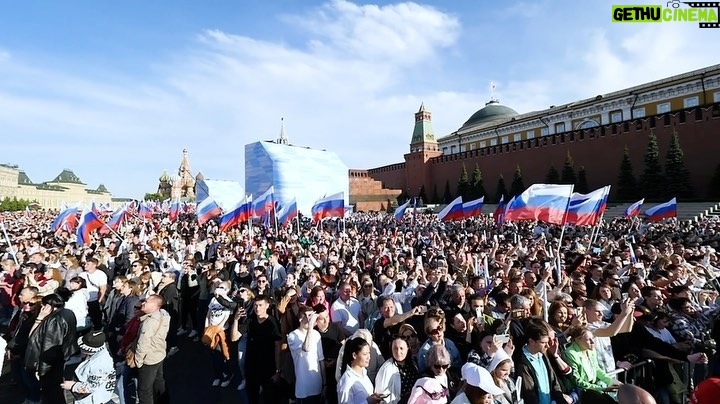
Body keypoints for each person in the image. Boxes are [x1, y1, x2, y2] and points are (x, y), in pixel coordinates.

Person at [25, 292, 78, 404]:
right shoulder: (68, 312)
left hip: (50, 363)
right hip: (62, 357)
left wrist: (39, 318)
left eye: (44, 305)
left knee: (52, 392)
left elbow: (42, 342)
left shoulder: (54, 320)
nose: (42, 308)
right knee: (56, 390)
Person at [513, 322, 572, 404]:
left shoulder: (543, 355)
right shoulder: (522, 363)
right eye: (543, 343)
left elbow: (554, 383)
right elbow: (529, 394)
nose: (547, 346)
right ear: (531, 341)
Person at [128, 294, 170, 404]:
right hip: (159, 354)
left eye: (146, 302)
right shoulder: (164, 314)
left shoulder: (149, 322)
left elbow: (143, 343)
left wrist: (139, 361)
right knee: (159, 381)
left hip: (149, 358)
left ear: (154, 306)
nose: (143, 303)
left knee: (144, 390)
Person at [61, 330, 117, 404]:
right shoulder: (100, 349)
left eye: (83, 348)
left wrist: (73, 386)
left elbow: (92, 387)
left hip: (94, 400)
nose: (80, 348)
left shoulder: (99, 365)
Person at [287, 305, 326, 404]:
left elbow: (321, 360)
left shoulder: (316, 334)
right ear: (301, 318)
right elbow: (306, 348)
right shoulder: (292, 336)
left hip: (317, 385)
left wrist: (325, 384)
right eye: (309, 316)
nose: (311, 319)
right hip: (303, 388)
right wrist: (310, 328)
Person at [337, 336, 385, 404]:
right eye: (365, 354)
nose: (369, 357)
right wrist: (368, 402)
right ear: (354, 355)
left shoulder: (364, 373)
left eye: (369, 353)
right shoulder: (347, 381)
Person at [374, 334, 420, 404]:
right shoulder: (386, 368)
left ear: (407, 348)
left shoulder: (413, 364)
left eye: (401, 348)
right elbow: (379, 395)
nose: (398, 352)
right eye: (395, 348)